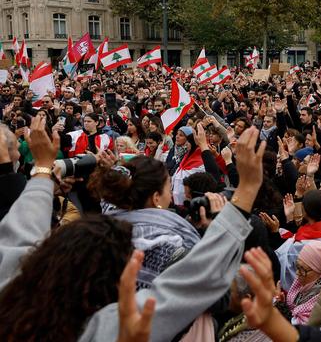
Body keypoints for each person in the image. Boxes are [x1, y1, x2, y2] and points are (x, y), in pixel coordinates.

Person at [0, 120, 268, 341]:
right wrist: (245, 191)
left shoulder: (13, 295)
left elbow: (18, 241)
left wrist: (43, 171)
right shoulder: (106, 331)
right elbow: (188, 286)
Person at [88, 155, 202, 288]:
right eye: (168, 188)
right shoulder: (165, 243)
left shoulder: (106, 224)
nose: (170, 197)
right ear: (156, 198)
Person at [286, 241, 321, 324]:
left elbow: (296, 332)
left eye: (302, 269)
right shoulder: (302, 286)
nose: (297, 273)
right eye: (297, 267)